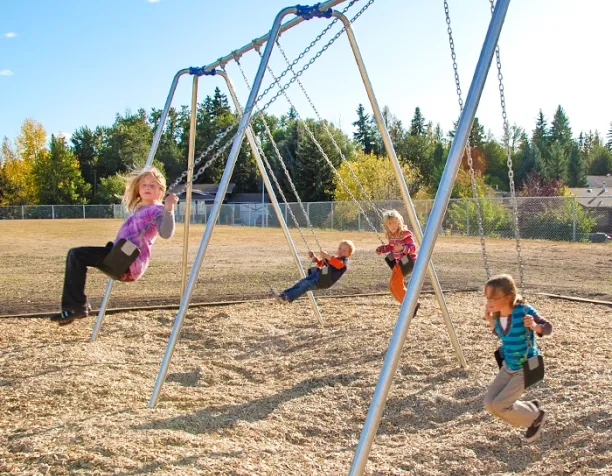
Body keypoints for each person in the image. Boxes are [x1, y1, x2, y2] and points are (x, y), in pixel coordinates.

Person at [51, 166, 178, 326]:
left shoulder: (157, 210)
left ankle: (76, 307)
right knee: (76, 256)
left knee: (77, 255)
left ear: (160, 190)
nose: (147, 187)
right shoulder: (140, 209)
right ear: (138, 188)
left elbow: (166, 233)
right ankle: (73, 308)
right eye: (144, 184)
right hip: (118, 258)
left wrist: (169, 209)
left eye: (152, 185)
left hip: (128, 264)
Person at [483, 274, 553, 442]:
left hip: (525, 366)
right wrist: (490, 321)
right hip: (509, 366)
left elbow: (548, 328)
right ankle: (529, 409)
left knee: (500, 405)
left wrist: (535, 326)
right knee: (489, 404)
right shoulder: (496, 315)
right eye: (487, 297)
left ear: (508, 297)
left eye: (494, 298)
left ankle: (536, 416)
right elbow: (503, 336)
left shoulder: (523, 311)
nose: (489, 302)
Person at [273, 240, 355, 303]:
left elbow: (338, 264)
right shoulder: (333, 258)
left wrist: (327, 256)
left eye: (344, 250)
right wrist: (314, 258)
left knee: (305, 284)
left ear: (349, 254)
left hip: (324, 281)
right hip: (319, 275)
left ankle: (287, 298)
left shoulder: (344, 261)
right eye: (340, 248)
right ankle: (283, 295)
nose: (341, 251)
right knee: (301, 282)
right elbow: (322, 263)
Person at [375, 209, 417, 304]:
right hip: (399, 263)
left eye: (394, 222)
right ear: (386, 225)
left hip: (408, 261)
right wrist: (381, 249)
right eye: (389, 224)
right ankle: (405, 303)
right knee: (392, 285)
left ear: (399, 222)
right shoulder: (392, 235)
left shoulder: (405, 233)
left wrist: (402, 248)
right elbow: (391, 247)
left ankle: (411, 303)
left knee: (396, 284)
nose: (392, 226)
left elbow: (413, 248)